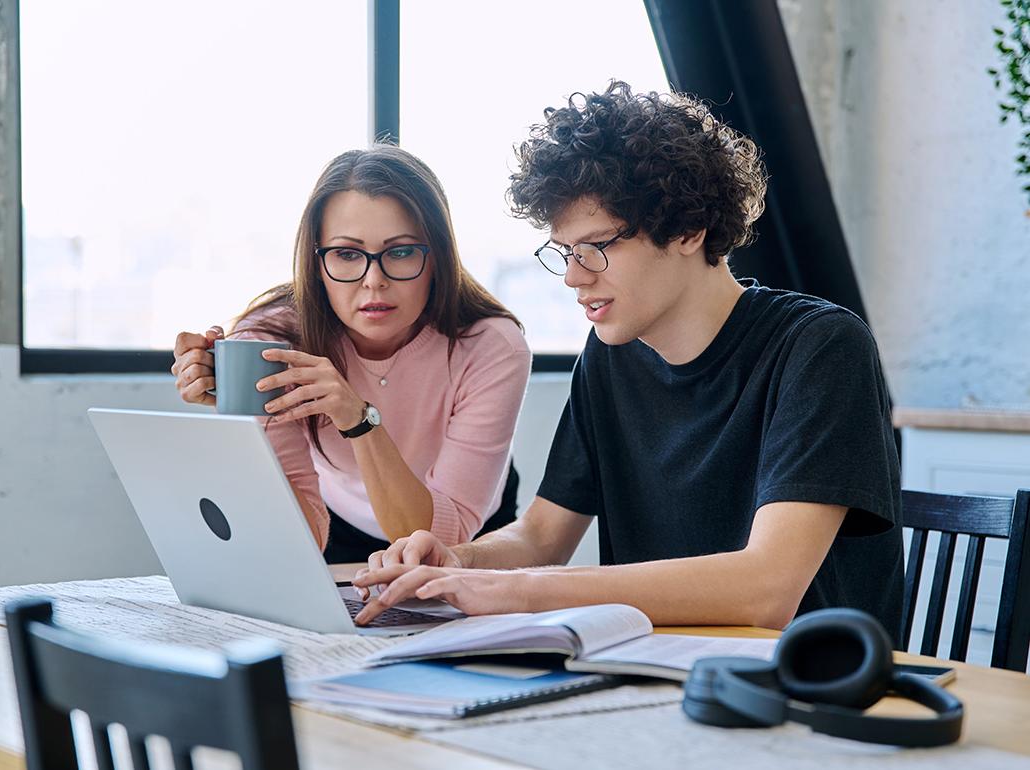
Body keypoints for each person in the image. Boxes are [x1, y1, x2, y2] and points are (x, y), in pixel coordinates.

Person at [353, 81, 905, 637]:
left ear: (690, 228)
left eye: (598, 246)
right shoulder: (612, 357)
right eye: (565, 252)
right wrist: (459, 562)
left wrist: (520, 591)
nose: (574, 276)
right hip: (655, 671)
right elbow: (542, 537)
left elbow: (766, 590)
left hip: (809, 687)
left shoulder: (820, 347)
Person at [170, 145, 531, 562]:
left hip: (463, 526)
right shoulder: (271, 339)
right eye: (346, 254)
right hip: (335, 521)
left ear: (438, 258)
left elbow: (440, 538)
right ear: (316, 260)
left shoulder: (491, 346)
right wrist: (242, 412)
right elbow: (294, 539)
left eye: (400, 251)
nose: (373, 281)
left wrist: (358, 419)